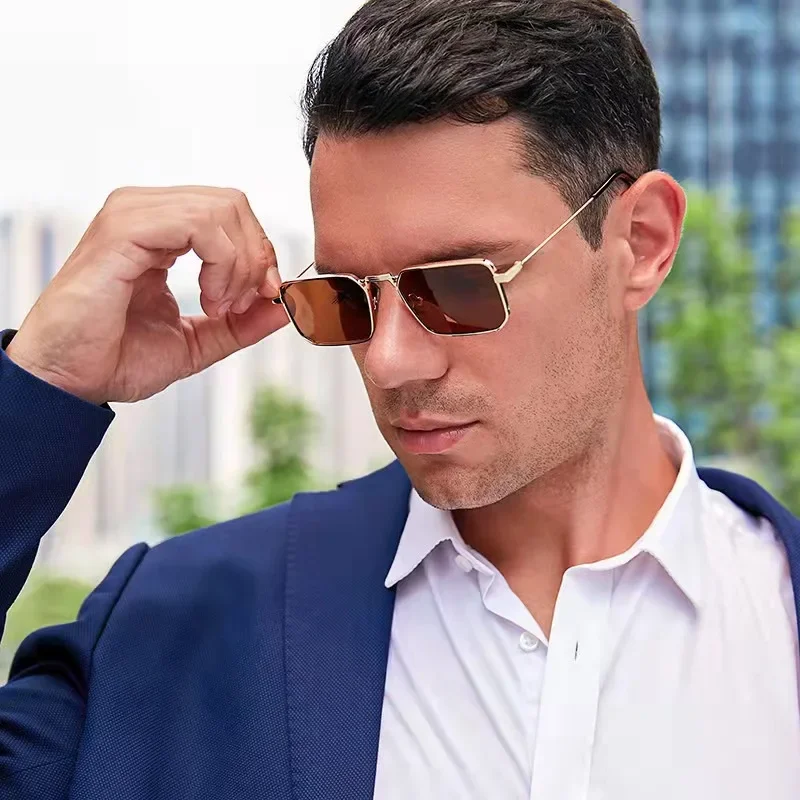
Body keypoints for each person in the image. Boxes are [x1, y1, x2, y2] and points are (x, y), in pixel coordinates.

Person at [1, 0, 798, 797]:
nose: (388, 361)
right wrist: (43, 381)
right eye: (346, 297)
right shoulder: (173, 630)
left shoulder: (777, 616)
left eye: (458, 286)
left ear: (641, 242)